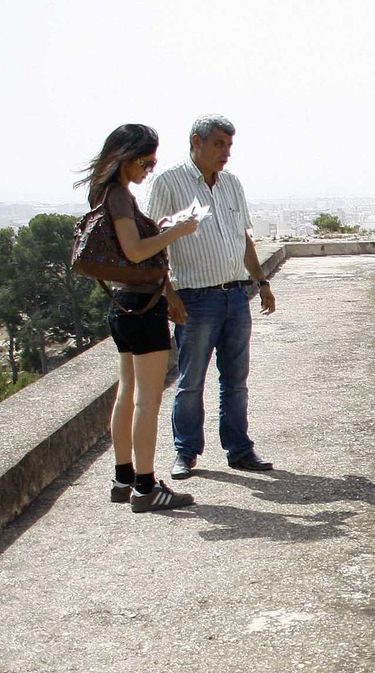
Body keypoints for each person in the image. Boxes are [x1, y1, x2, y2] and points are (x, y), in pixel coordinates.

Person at [76, 124, 200, 513]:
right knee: (147, 400)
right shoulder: (119, 198)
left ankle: (123, 478)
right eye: (145, 161)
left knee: (127, 393)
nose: (149, 169)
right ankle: (146, 488)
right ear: (126, 158)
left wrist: (160, 231)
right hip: (143, 311)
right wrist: (178, 231)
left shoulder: (107, 194)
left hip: (123, 306)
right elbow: (133, 251)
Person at [146, 114, 276, 479]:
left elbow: (243, 238)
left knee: (235, 380)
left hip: (235, 296)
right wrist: (168, 293)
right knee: (191, 382)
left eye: (229, 145)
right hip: (195, 298)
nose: (226, 152)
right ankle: (186, 452)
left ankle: (239, 449)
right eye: (219, 144)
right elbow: (153, 245)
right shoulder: (168, 183)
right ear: (196, 141)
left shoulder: (232, 184)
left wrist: (261, 282)